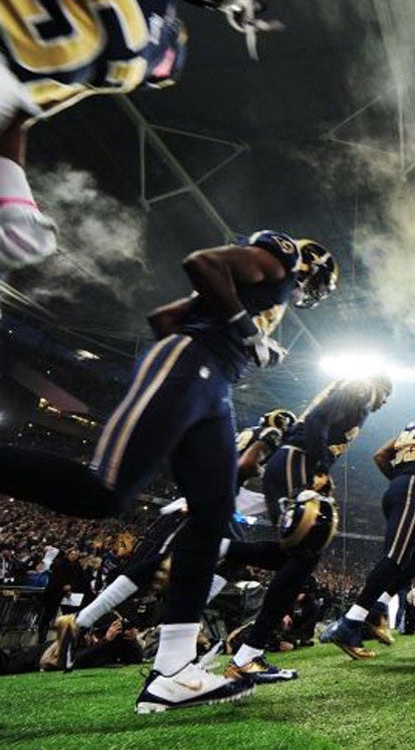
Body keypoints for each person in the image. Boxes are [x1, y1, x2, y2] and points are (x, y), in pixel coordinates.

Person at [0, 229, 338, 712]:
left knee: (214, 513)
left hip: (212, 384)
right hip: (192, 368)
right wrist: (243, 333)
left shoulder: (261, 287)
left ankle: (172, 670)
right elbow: (201, 260)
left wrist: (225, 339)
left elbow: (164, 317)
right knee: (105, 493)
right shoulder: (277, 262)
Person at [0, 0, 275, 272]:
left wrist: (15, 203)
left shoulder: (163, 47)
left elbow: (18, 112)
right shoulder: (161, 51)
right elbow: (18, 112)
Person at [51, 407, 296, 672]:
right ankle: (81, 622)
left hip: (214, 516)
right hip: (191, 513)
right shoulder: (260, 441)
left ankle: (83, 623)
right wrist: (286, 500)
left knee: (222, 563)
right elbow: (233, 480)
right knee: (151, 571)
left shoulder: (255, 442)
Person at [221, 373, 392, 683]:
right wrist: (319, 468)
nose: (386, 401)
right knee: (305, 551)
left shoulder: (359, 396)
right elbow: (316, 418)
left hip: (294, 461)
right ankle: (247, 654)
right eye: (387, 393)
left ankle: (249, 652)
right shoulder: (362, 388)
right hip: (296, 459)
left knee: (296, 558)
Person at [320, 395, 415, 659]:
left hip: (401, 489)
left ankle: (377, 608)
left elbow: (380, 455)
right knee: (395, 558)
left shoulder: (410, 428)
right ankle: (351, 622)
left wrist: (399, 479)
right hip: (414, 489)